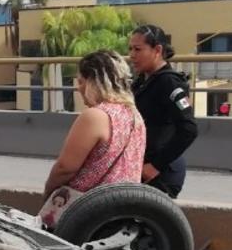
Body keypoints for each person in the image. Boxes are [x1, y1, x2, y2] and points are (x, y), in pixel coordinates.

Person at [38, 50, 146, 230]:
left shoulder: (95, 116)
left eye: (80, 81)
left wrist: (49, 192)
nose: (78, 88)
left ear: (94, 81)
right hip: (123, 210)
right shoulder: (135, 116)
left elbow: (65, 169)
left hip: (87, 213)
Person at [128, 24, 198, 198]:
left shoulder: (169, 83)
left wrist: (156, 166)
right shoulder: (142, 82)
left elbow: (189, 129)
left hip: (161, 173)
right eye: (130, 49)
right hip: (141, 167)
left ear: (157, 50)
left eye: (138, 49)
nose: (132, 55)